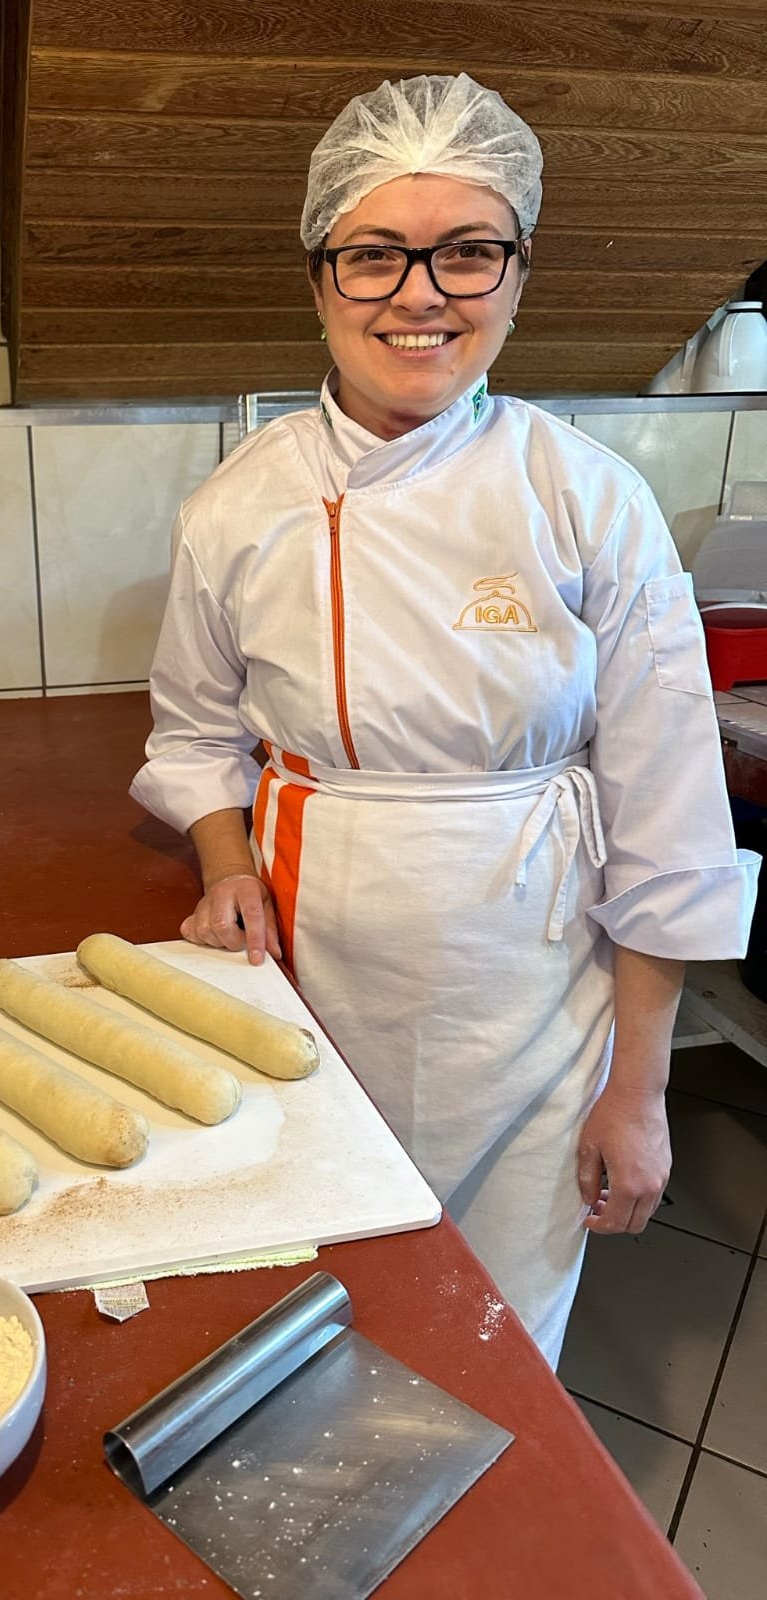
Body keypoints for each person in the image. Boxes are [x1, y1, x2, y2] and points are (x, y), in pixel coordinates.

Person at [130, 72, 758, 1367]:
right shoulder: (235, 507)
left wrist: (640, 1093)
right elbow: (194, 736)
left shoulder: (589, 499)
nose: (420, 294)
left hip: (532, 998)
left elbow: (671, 823)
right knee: (318, 1294)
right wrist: (227, 865)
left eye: (467, 252)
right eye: (375, 254)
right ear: (320, 280)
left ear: (518, 275)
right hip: (308, 972)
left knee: (497, 1330)